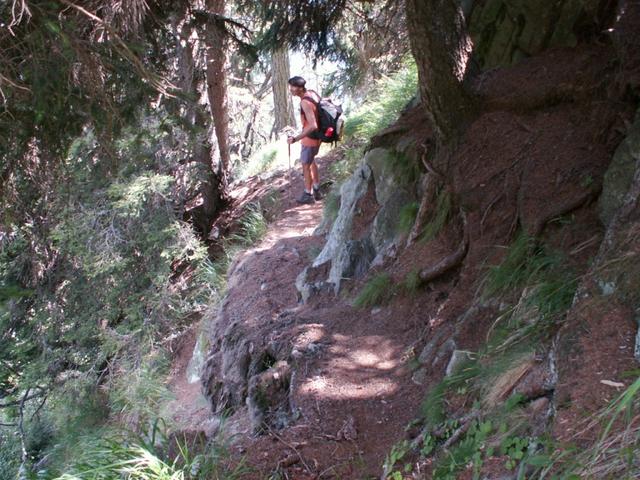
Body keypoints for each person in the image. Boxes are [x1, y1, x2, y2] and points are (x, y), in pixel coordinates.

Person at [287, 76, 322, 204]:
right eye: (291, 86)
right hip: (318, 137)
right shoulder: (312, 94)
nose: (291, 89)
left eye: (293, 87)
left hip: (310, 138)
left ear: (300, 88)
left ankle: (308, 194)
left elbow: (313, 125)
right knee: (311, 162)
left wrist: (296, 138)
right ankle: (317, 189)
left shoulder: (304, 102)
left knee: (306, 166)